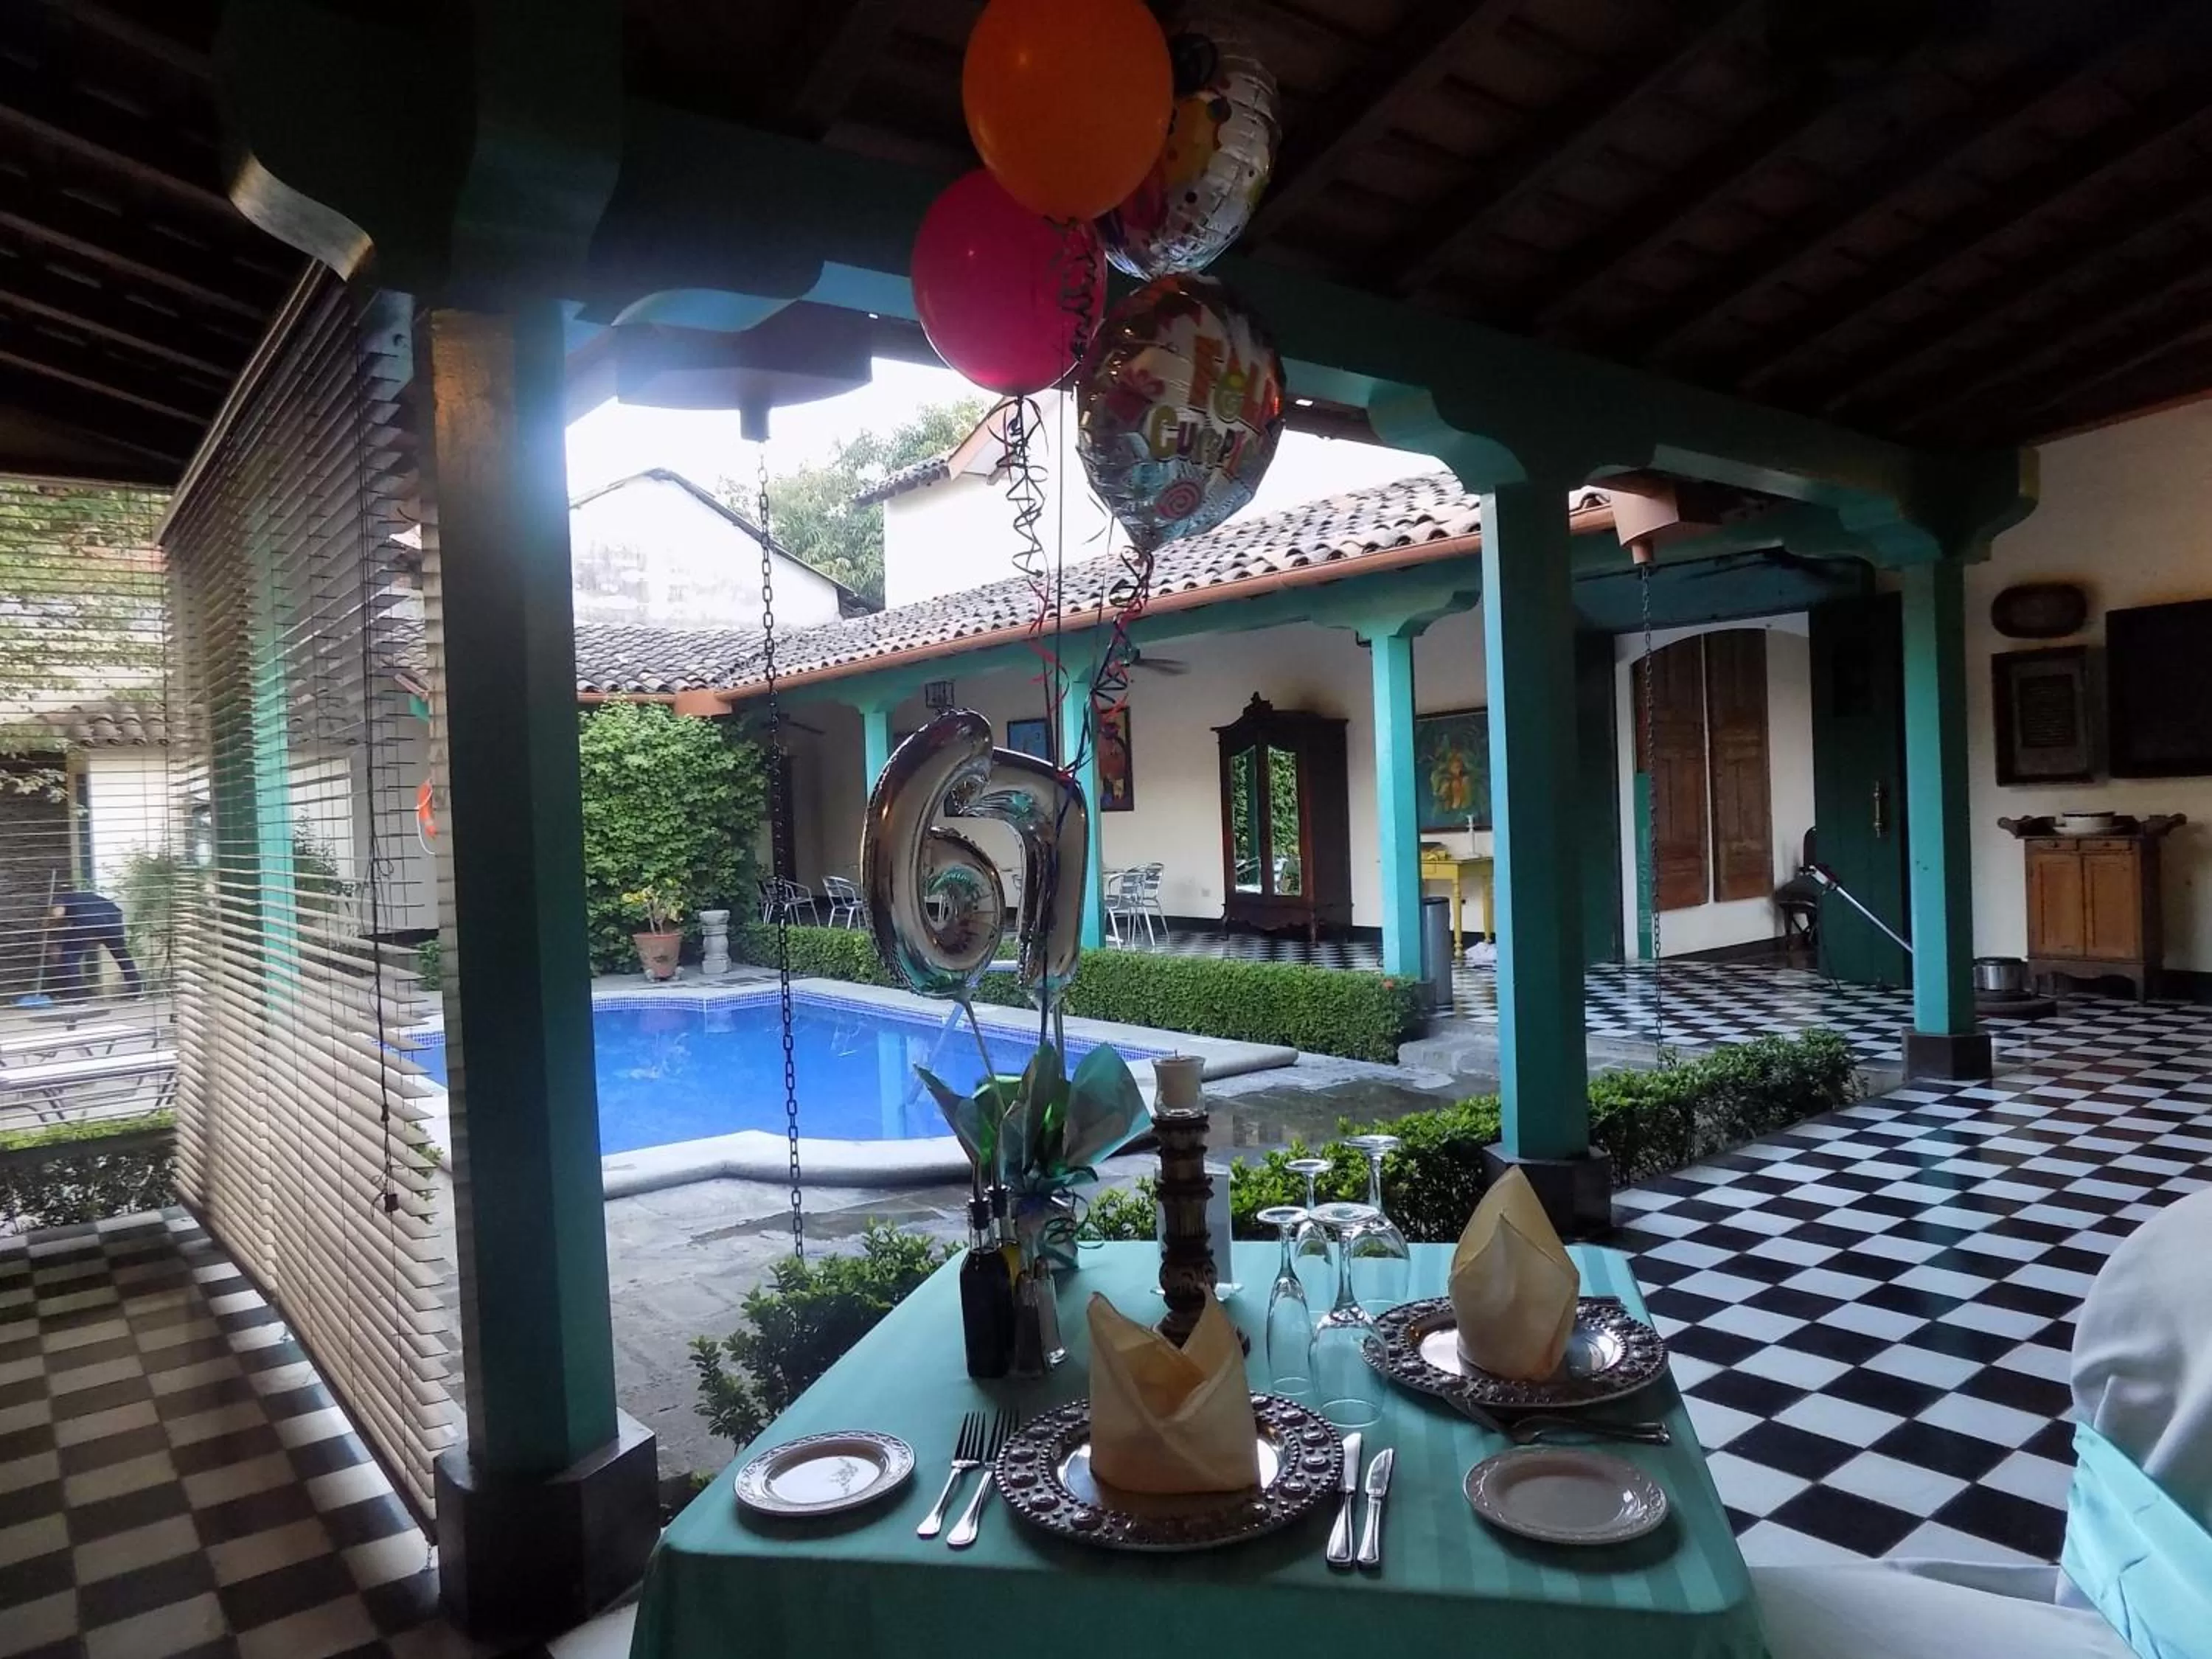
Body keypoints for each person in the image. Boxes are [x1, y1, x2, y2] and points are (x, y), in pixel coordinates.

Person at [48, 887, 142, 999]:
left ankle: (75, 997)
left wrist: (49, 923)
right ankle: (136, 992)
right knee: (122, 955)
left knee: (69, 956)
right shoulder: (88, 897)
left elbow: (58, 914)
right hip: (113, 921)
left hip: (88, 922)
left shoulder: (62, 898)